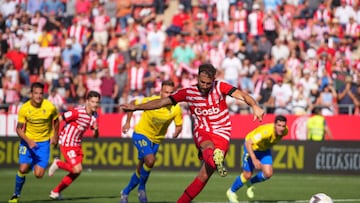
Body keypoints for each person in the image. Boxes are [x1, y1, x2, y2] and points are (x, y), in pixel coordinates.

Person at [121, 64, 264, 203]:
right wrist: (136, 107)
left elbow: (242, 95)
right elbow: (162, 102)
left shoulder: (220, 87)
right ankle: (215, 157)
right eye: (202, 82)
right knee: (207, 147)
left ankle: (213, 162)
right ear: (197, 78)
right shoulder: (188, 92)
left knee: (204, 175)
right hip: (202, 130)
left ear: (213, 80)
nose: (205, 86)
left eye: (208, 83)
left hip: (222, 131)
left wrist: (254, 105)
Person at [120, 80, 183, 203]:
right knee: (150, 160)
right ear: (160, 92)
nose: (168, 95)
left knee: (140, 169)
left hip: (156, 140)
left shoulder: (176, 107)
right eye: (166, 92)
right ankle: (142, 188)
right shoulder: (152, 101)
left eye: (171, 92)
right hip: (141, 134)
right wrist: (128, 122)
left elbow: (179, 124)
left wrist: (177, 131)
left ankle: (125, 192)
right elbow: (133, 103)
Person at [8, 82, 60, 203]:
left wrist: (55, 135)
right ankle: (16, 195)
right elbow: (18, 129)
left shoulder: (50, 107)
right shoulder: (25, 108)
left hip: (43, 143)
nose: (38, 96)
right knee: (22, 169)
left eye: (41, 93)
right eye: (36, 93)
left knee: (39, 175)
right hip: (27, 142)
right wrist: (29, 141)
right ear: (31, 94)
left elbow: (56, 120)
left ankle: (31, 164)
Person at [48, 90, 101, 199]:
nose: (95, 104)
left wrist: (96, 130)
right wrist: (54, 135)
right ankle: (58, 163)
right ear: (87, 101)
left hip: (77, 145)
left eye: (97, 102)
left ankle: (55, 192)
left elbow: (95, 136)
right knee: (77, 169)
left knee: (76, 172)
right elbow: (58, 119)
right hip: (67, 142)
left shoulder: (95, 115)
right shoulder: (77, 111)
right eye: (93, 102)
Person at [226, 115, 288, 203]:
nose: (281, 128)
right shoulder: (265, 132)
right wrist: (254, 159)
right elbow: (248, 143)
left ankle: (250, 183)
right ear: (274, 125)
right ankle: (231, 192)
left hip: (264, 150)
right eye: (279, 125)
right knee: (247, 175)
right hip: (251, 148)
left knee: (268, 173)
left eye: (283, 126)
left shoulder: (285, 131)